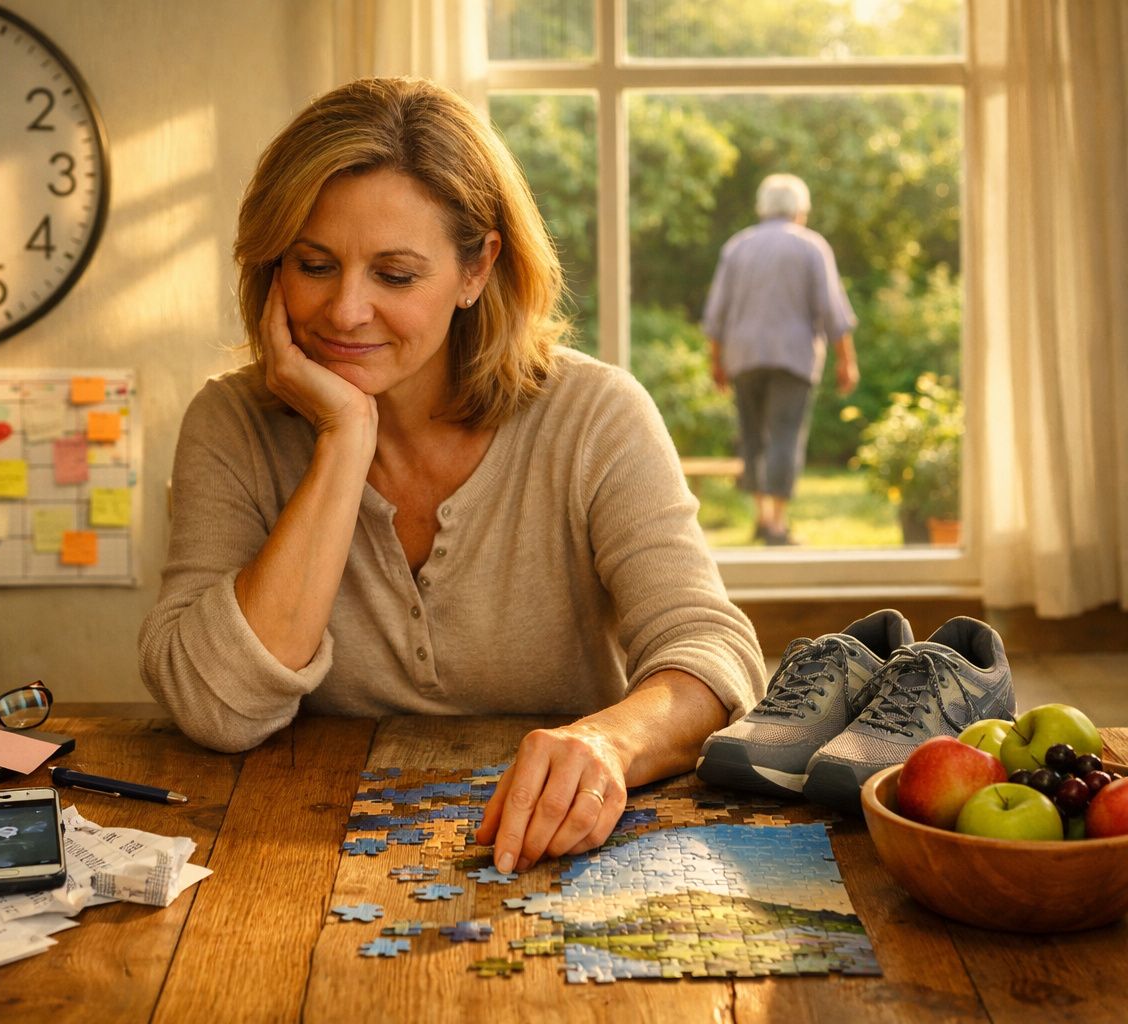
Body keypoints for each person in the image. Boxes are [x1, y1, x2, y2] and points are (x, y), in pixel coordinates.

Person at [139, 77, 765, 874]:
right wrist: (342, 438)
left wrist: (607, 741)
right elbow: (212, 707)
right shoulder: (231, 426)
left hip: (564, 852)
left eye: (395, 275)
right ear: (271, 265)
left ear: (476, 271)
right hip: (299, 856)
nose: (344, 311)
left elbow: (711, 652)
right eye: (314, 264)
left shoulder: (596, 414)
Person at [702, 173, 860, 546]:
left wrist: (716, 362)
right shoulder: (811, 247)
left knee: (754, 437)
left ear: (763, 207)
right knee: (784, 435)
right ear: (799, 210)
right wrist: (846, 360)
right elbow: (832, 310)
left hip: (743, 357)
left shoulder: (737, 246)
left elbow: (716, 314)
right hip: (793, 357)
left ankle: (761, 517)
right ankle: (776, 524)